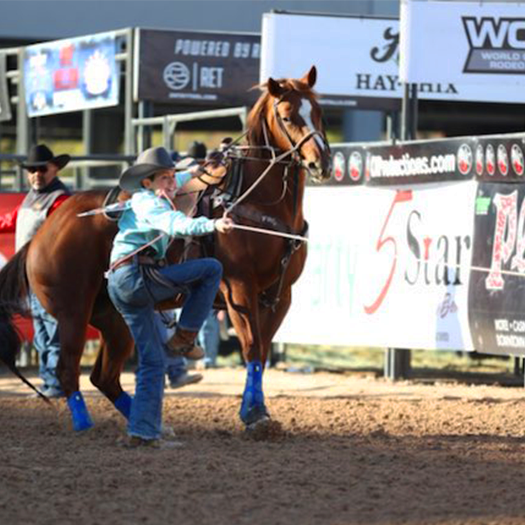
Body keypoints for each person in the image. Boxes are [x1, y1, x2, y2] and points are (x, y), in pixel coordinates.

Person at [106, 146, 234, 448]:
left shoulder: (147, 196)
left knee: (153, 362)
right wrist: (212, 224)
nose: (172, 182)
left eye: (172, 176)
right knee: (211, 269)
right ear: (147, 182)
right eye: (165, 178)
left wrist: (197, 170)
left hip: (125, 283)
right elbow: (176, 224)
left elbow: (181, 180)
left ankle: (143, 433)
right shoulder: (149, 204)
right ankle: (185, 336)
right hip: (136, 278)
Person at [0, 144, 72, 398]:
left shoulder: (60, 199)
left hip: (49, 277)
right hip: (32, 276)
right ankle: (50, 382)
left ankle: (55, 383)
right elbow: (12, 220)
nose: (36, 174)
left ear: (54, 169)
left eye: (42, 169)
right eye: (32, 170)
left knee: (51, 330)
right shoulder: (36, 197)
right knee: (43, 331)